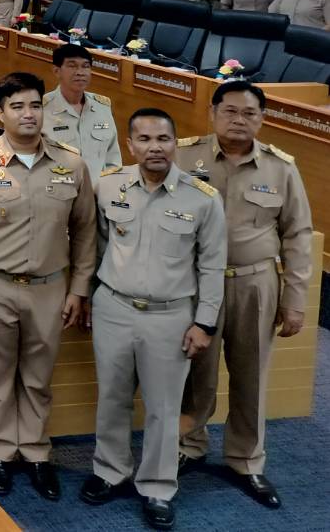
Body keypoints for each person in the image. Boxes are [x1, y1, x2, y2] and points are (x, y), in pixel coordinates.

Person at [0, 72, 96, 500]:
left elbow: (85, 231)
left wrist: (79, 289)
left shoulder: (71, 164)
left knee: (38, 376)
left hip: (50, 287)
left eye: (34, 105)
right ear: (0, 113)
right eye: (17, 107)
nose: (28, 114)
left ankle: (35, 452)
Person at [82, 108, 225, 530]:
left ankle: (158, 486)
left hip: (170, 317)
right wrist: (86, 296)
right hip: (114, 308)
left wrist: (205, 323)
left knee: (163, 408)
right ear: (130, 145)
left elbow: (212, 266)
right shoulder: (108, 186)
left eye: (163, 139)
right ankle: (110, 471)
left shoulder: (202, 198)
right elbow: (95, 246)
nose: (154, 147)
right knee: (112, 397)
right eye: (144, 139)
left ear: (175, 142)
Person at [177, 81, 314, 508]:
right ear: (213, 113)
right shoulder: (184, 157)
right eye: (231, 111)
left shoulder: (281, 168)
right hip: (195, 284)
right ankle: (188, 445)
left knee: (251, 373)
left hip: (255, 284)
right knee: (194, 373)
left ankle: (246, 459)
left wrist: (295, 300)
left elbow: (297, 236)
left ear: (262, 118)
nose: (239, 120)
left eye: (250, 113)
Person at [42, 44, 121, 180]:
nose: (80, 72)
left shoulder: (102, 107)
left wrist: (109, 187)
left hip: (98, 189)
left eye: (85, 66)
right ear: (56, 71)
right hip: (58, 188)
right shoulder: (41, 109)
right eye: (72, 66)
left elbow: (113, 159)